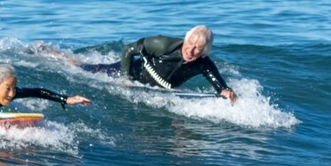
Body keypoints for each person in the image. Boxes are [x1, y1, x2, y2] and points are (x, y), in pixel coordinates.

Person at [76, 25, 238, 102]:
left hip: (157, 88)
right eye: (190, 43)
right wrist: (125, 78)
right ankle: (62, 56)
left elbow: (222, 88)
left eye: (198, 48)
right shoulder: (164, 45)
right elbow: (128, 49)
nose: (190, 50)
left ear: (204, 51)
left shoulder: (204, 63)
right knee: (82, 68)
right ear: (186, 38)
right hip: (127, 73)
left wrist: (227, 93)